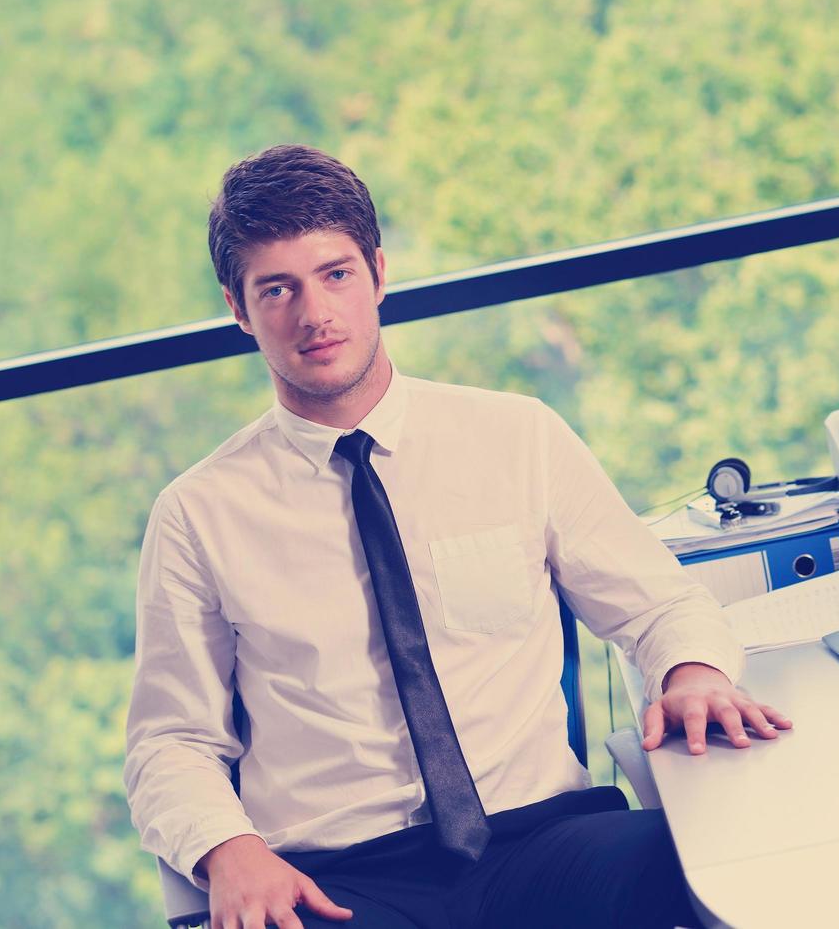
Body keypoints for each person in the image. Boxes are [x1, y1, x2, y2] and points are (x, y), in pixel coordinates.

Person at [123, 145, 792, 929]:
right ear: (239, 310)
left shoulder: (517, 437)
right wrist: (228, 849)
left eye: (335, 274)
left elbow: (658, 608)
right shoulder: (197, 513)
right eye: (278, 289)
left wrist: (690, 671)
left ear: (377, 272)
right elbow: (168, 742)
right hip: (336, 883)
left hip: (543, 841)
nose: (314, 314)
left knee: (754, 867)